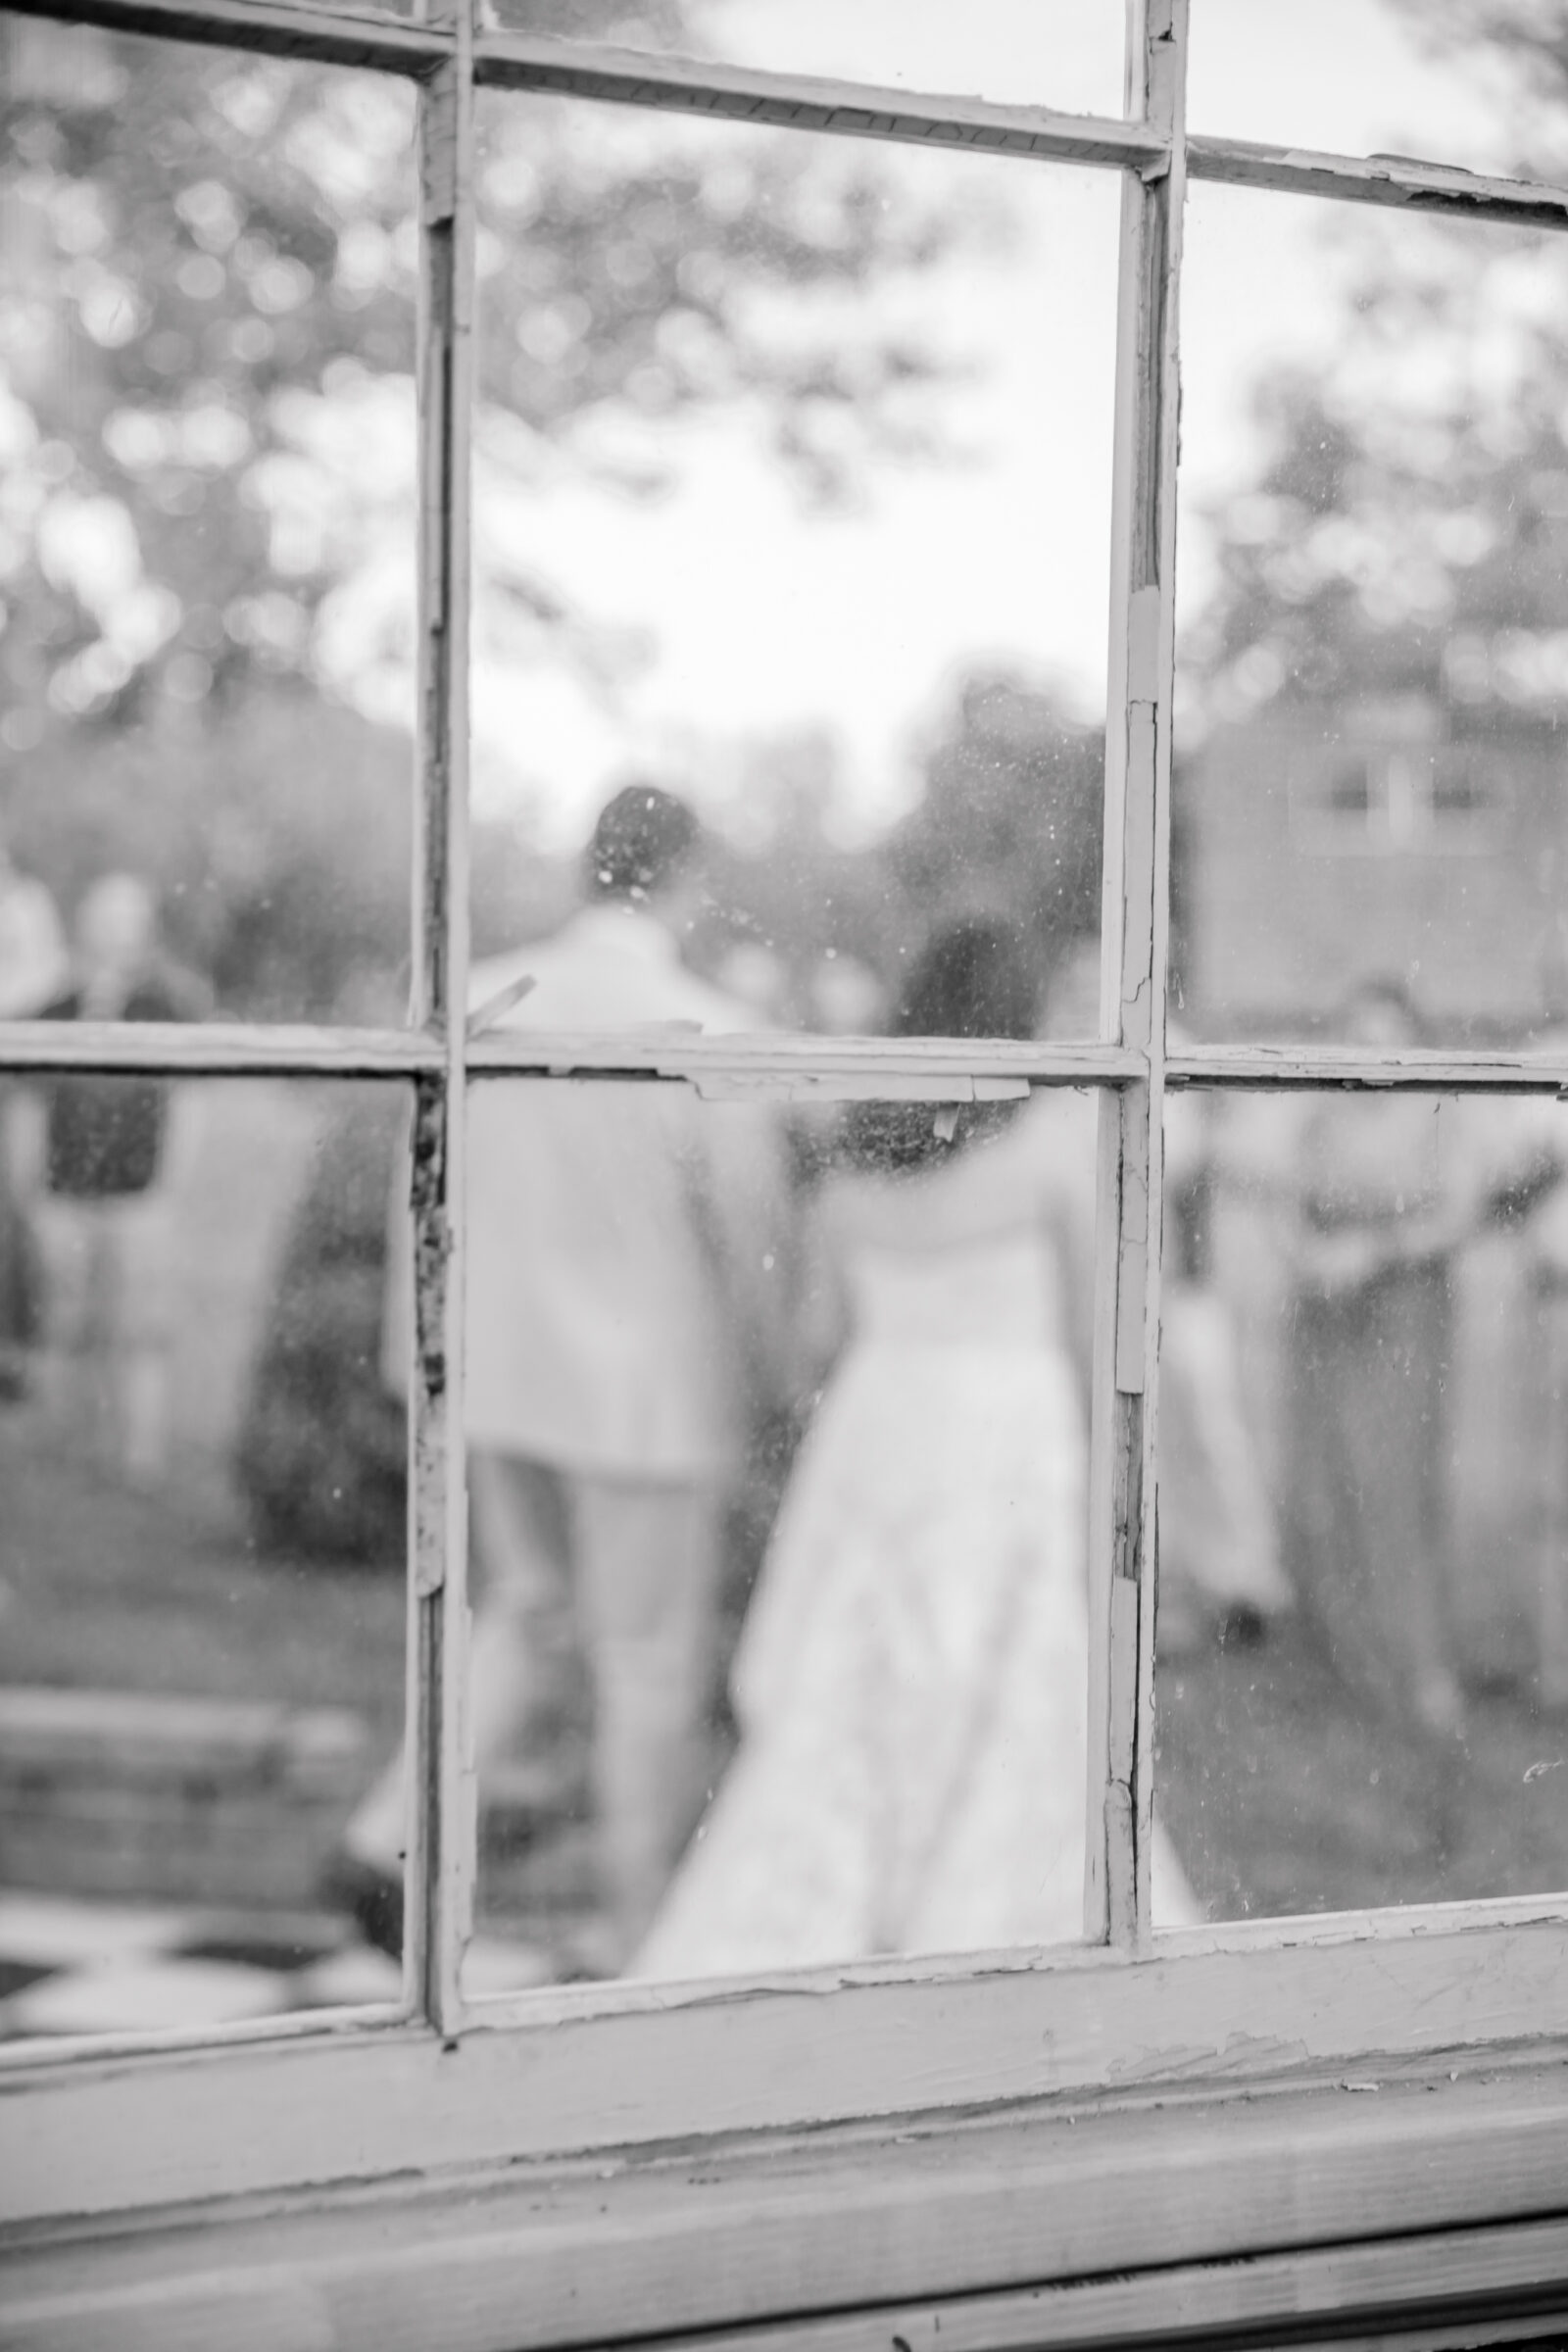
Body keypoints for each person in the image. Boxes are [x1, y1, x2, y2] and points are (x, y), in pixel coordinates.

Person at [635, 917, 1198, 1981]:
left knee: (855, 1679)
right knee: (1009, 1677)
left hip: (881, 1438)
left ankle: (853, 1911)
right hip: (1012, 1440)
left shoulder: (849, 1189)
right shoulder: (1053, 1162)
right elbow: (1104, 1352)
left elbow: (809, 1354)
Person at [337, 785, 791, 1970]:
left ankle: (389, 1840)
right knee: (649, 1664)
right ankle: (639, 1929)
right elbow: (749, 1231)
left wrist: (418, 1352)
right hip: (649, 1394)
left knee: (527, 1617)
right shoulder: (701, 1021)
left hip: (499, 1372)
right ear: (684, 875)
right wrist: (778, 1373)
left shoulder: (487, 996)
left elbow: (420, 1182)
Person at [1283, 978, 1473, 1740]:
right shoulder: (1323, 1118)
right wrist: (1313, 1256)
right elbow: (1287, 1211)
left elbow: (1458, 1213)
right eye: (1355, 1037)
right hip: (1325, 1317)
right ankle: (1348, 1661)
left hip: (1404, 1311)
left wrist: (1375, 1252)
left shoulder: (1434, 1115)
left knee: (1398, 1488)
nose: (1369, 1053)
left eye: (1384, 1037)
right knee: (1327, 1487)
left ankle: (1423, 1669)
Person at [33, 873, 208, 1486]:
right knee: (66, 1318)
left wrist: (170, 1188)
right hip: (65, 1191)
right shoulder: (57, 1002)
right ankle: (66, 1444)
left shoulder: (169, 1004)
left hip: (141, 1193)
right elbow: (27, 1102)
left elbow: (187, 1102)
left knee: (141, 1325)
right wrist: (33, 1189)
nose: (111, 931)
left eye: (124, 919)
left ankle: (139, 1452)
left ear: (143, 928)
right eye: (101, 917)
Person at [0, 842, 69, 1402]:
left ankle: (17, 1350)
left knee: (16, 1207)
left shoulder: (28, 905)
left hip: (15, 1076)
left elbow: (44, 978)